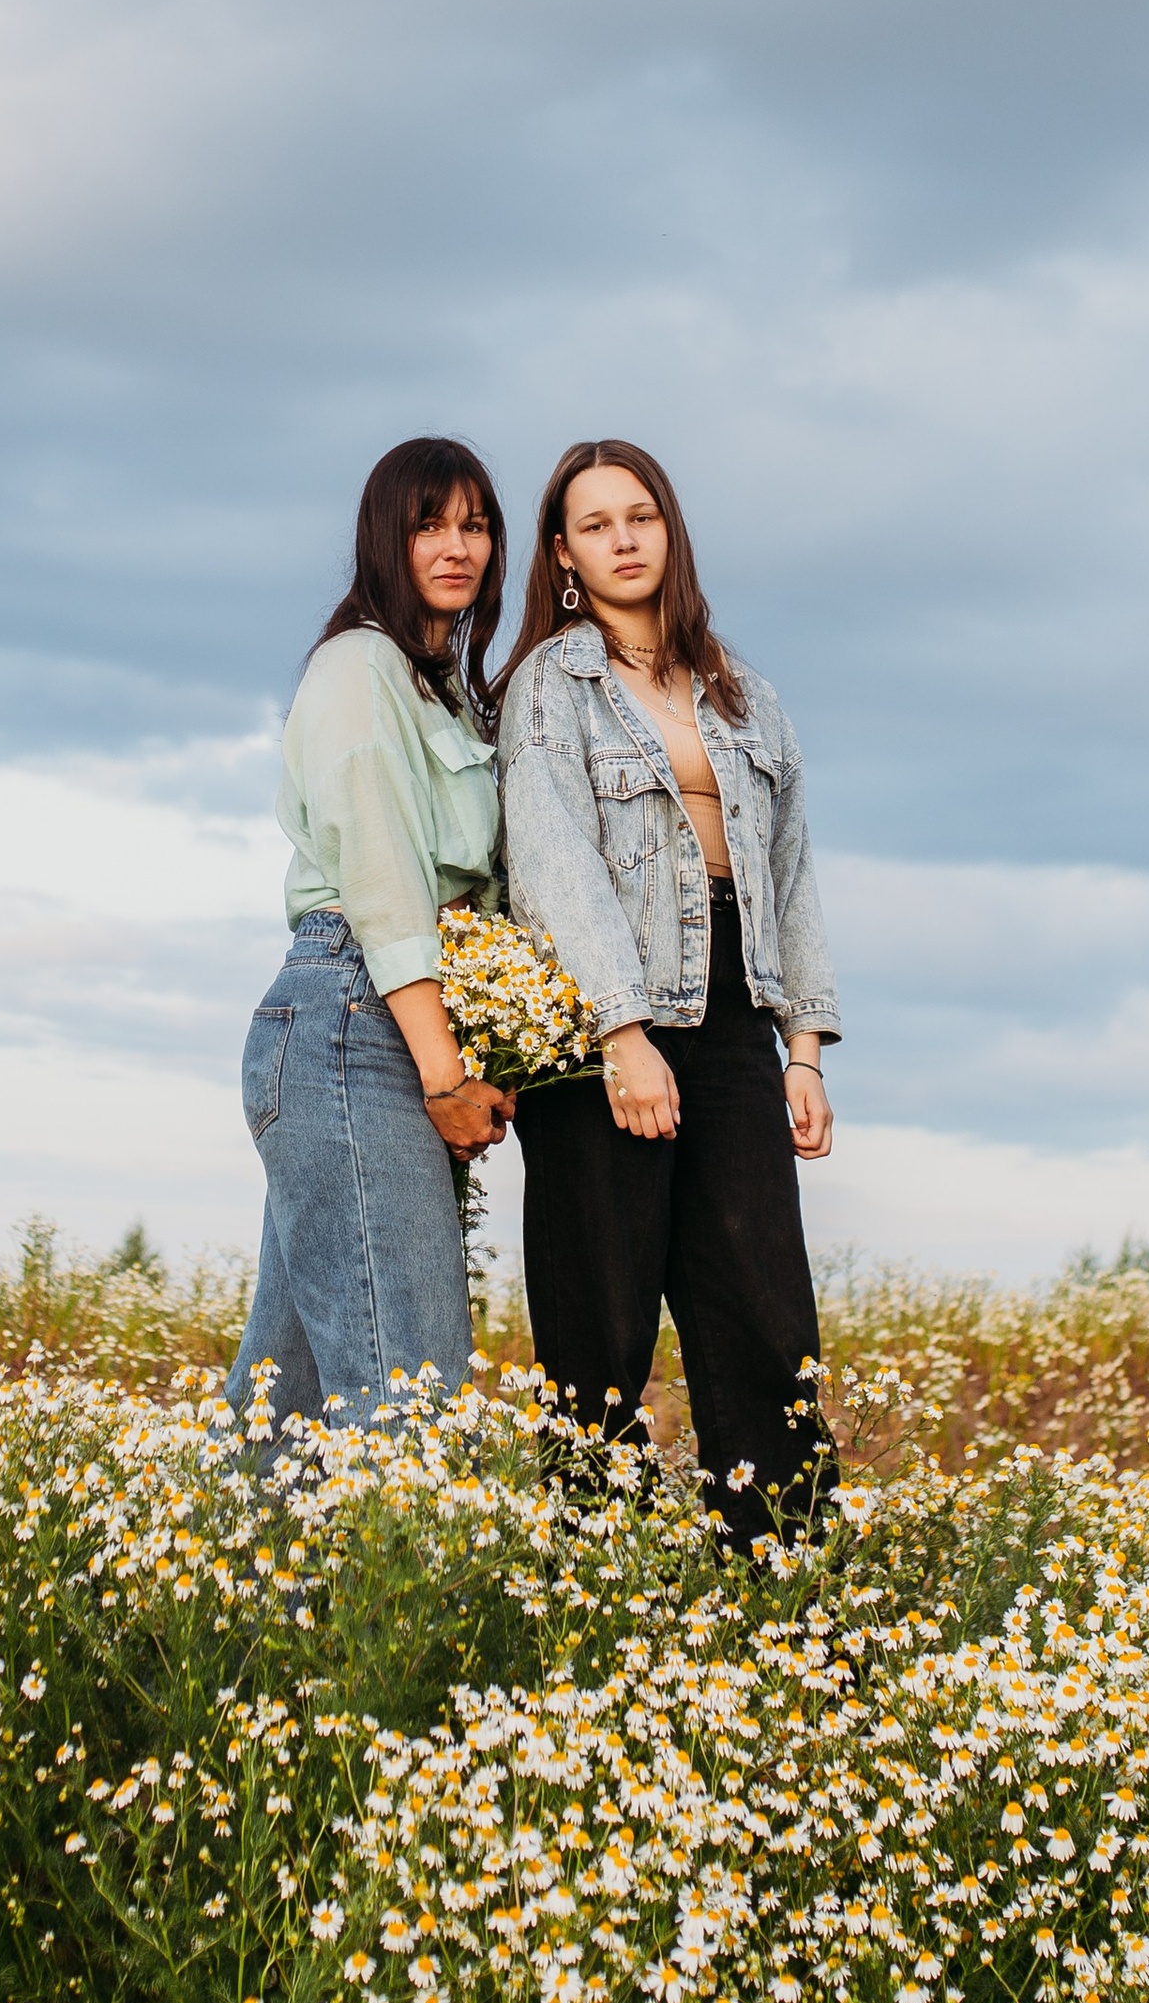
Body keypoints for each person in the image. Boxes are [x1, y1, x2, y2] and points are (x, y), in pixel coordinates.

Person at [496, 438, 840, 1546]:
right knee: (599, 1324)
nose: (623, 538)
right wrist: (620, 1033)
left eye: (638, 515)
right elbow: (554, 865)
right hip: (612, 1025)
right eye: (595, 525)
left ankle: (784, 1579)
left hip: (737, 1012)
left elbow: (789, 872)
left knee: (762, 1313)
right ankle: (590, 1586)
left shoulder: (742, 691)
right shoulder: (552, 686)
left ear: (668, 528)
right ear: (563, 554)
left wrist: (804, 1047)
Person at [227, 438, 517, 1456]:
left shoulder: (444, 689)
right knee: (409, 1392)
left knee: (290, 1397)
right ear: (383, 538)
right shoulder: (360, 666)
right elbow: (386, 873)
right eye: (428, 523)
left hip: (379, 1019)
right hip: (354, 1017)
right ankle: (394, 1604)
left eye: (474, 525)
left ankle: (225, 1604)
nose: (456, 547)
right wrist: (443, 1070)